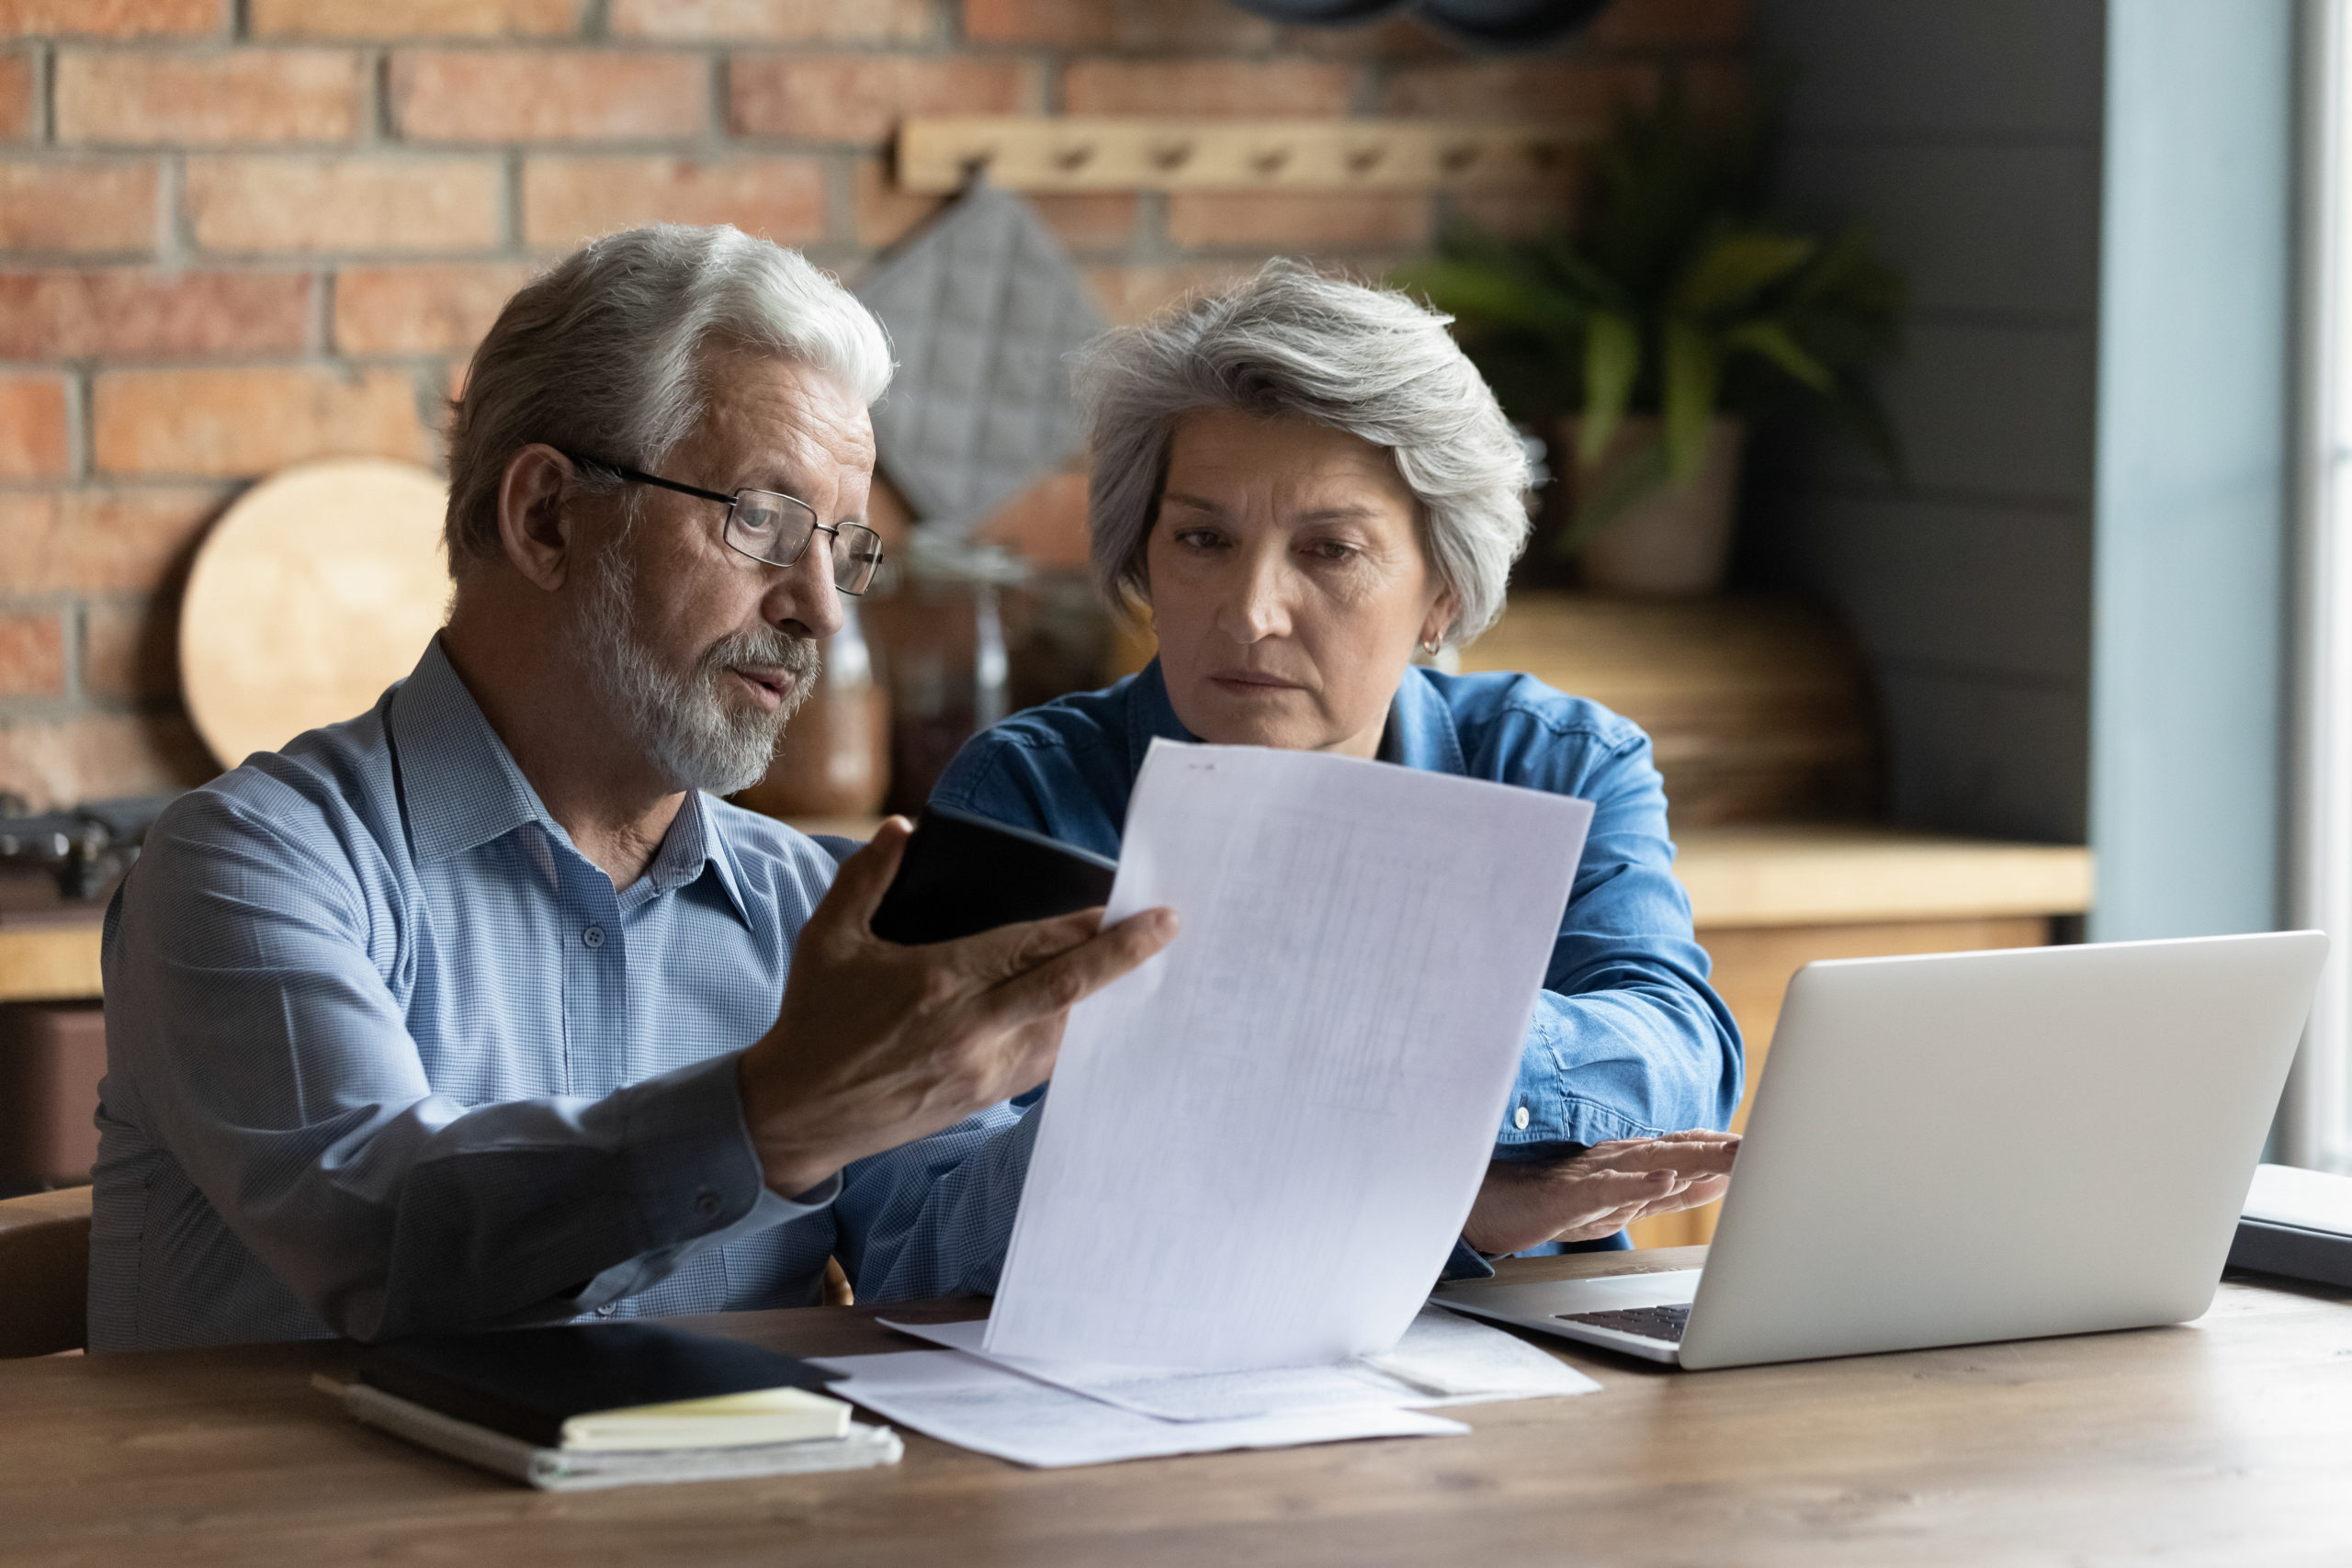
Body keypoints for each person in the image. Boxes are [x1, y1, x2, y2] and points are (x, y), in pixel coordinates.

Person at [87, 225, 1173, 1351]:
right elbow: (391, 1248)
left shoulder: (819, 905)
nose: (821, 608)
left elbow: (933, 1257)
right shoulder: (251, 867)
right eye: (761, 521)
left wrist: (1151, 1092)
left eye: (843, 548)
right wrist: (770, 1117)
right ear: (548, 516)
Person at [868, 263, 1745, 1296]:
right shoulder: (1029, 794)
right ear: (1145, 560)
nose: (1250, 612)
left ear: (1441, 597)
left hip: (1501, 1362)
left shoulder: (1555, 763)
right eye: (1203, 540)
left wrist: (1365, 1044)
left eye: (1329, 550)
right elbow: (918, 1239)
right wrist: (1421, 1180)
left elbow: (1677, 1055)